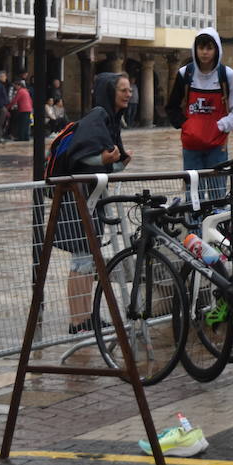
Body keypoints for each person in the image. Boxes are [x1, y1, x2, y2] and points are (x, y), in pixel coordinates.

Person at [55, 72, 134, 334]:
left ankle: (85, 317)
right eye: (123, 89)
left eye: (129, 89)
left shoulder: (110, 120)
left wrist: (119, 163)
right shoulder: (98, 115)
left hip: (90, 199)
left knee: (87, 259)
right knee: (81, 260)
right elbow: (82, 156)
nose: (128, 93)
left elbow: (104, 166)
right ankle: (78, 321)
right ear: (110, 92)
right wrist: (103, 160)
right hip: (78, 199)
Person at [165, 28, 233, 200]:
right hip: (191, 147)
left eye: (209, 48)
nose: (204, 52)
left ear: (216, 49)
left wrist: (220, 126)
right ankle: (195, 227)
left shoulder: (227, 75)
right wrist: (186, 125)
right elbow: (171, 107)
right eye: (200, 47)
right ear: (195, 49)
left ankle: (216, 225)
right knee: (194, 196)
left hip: (217, 147)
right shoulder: (185, 74)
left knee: (218, 196)